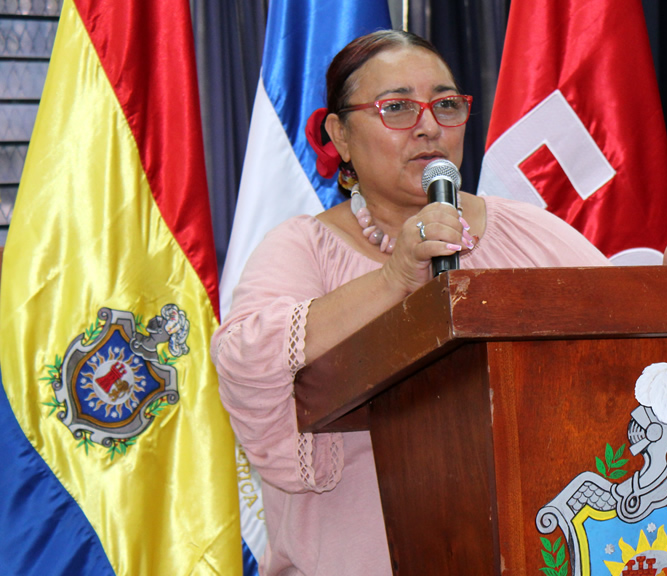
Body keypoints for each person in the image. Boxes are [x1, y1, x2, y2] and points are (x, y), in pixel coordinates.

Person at [210, 30, 618, 574]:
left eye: (446, 105)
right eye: (397, 107)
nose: (428, 126)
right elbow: (245, 365)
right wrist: (393, 280)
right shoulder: (302, 247)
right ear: (341, 135)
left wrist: (665, 311)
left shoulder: (529, 232)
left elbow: (619, 350)